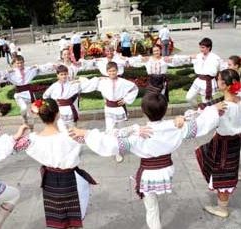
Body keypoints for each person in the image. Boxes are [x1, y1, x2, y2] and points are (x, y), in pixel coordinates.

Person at [69, 91, 225, 229]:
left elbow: (109, 143)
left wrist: (86, 133)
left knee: (151, 208)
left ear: (144, 112)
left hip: (149, 176)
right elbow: (200, 124)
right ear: (164, 110)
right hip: (167, 171)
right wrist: (213, 110)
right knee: (151, 204)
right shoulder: (176, 127)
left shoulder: (139, 135)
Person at [13, 98, 121, 229]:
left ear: (40, 116)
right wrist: (86, 133)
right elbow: (103, 140)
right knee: (75, 218)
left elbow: (13, 147)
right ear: (58, 114)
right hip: (70, 179)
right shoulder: (72, 135)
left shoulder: (31, 140)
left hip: (50, 181)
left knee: (58, 219)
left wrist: (17, 135)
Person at [195, 69, 241, 218]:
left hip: (223, 143)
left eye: (219, 79)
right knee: (228, 169)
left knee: (222, 171)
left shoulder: (223, 108)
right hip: (235, 141)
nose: (216, 80)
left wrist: (209, 109)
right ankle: (222, 205)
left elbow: (205, 123)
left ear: (226, 85)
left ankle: (222, 209)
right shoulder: (238, 99)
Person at [0, 55, 55, 124]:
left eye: (21, 63)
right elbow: (0, 75)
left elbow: (40, 68)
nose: (20, 65)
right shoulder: (11, 72)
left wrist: (52, 66)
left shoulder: (29, 69)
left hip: (28, 93)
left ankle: (29, 125)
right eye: (18, 63)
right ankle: (25, 120)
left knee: (29, 111)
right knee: (24, 108)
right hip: (19, 94)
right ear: (15, 63)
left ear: (24, 62)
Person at [93, 61, 138, 162]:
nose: (112, 73)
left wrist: (125, 99)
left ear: (117, 71)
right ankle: (114, 149)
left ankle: (121, 149)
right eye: (110, 71)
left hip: (119, 108)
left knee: (121, 130)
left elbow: (134, 88)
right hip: (109, 108)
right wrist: (105, 98)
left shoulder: (122, 82)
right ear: (107, 72)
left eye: (114, 71)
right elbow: (97, 87)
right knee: (110, 129)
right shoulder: (104, 82)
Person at [42, 65, 99, 131]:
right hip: (59, 110)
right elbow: (45, 96)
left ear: (68, 74)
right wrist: (53, 103)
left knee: (72, 129)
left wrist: (97, 79)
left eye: (65, 74)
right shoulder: (54, 86)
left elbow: (86, 84)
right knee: (61, 128)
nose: (64, 76)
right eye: (61, 74)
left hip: (70, 110)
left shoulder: (72, 84)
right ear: (57, 75)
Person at [186, 38, 221, 105]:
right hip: (199, 80)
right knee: (188, 98)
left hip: (208, 83)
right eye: (200, 47)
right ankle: (197, 107)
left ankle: (203, 110)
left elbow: (221, 68)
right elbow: (185, 59)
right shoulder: (198, 56)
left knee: (206, 103)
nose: (201, 49)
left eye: (203, 47)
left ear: (209, 47)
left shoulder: (215, 58)